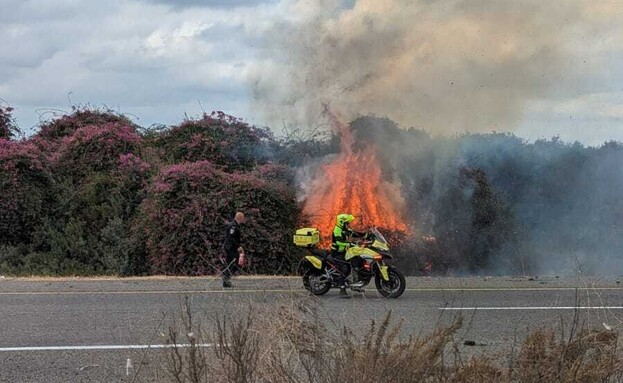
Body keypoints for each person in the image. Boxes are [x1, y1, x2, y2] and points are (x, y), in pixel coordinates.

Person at [331, 213, 365, 298]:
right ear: (342, 223)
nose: (348, 224)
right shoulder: (337, 231)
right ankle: (342, 289)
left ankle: (356, 284)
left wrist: (365, 235)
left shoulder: (344, 229)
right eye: (347, 223)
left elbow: (353, 233)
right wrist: (350, 244)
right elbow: (339, 242)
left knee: (357, 260)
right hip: (337, 253)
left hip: (344, 252)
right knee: (345, 268)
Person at [222, 212, 245, 288]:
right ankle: (226, 278)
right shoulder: (233, 226)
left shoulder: (235, 225)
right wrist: (238, 246)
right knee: (235, 263)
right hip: (230, 247)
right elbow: (231, 238)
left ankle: (226, 280)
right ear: (240, 218)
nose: (244, 219)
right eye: (243, 218)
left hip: (231, 247)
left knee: (230, 263)